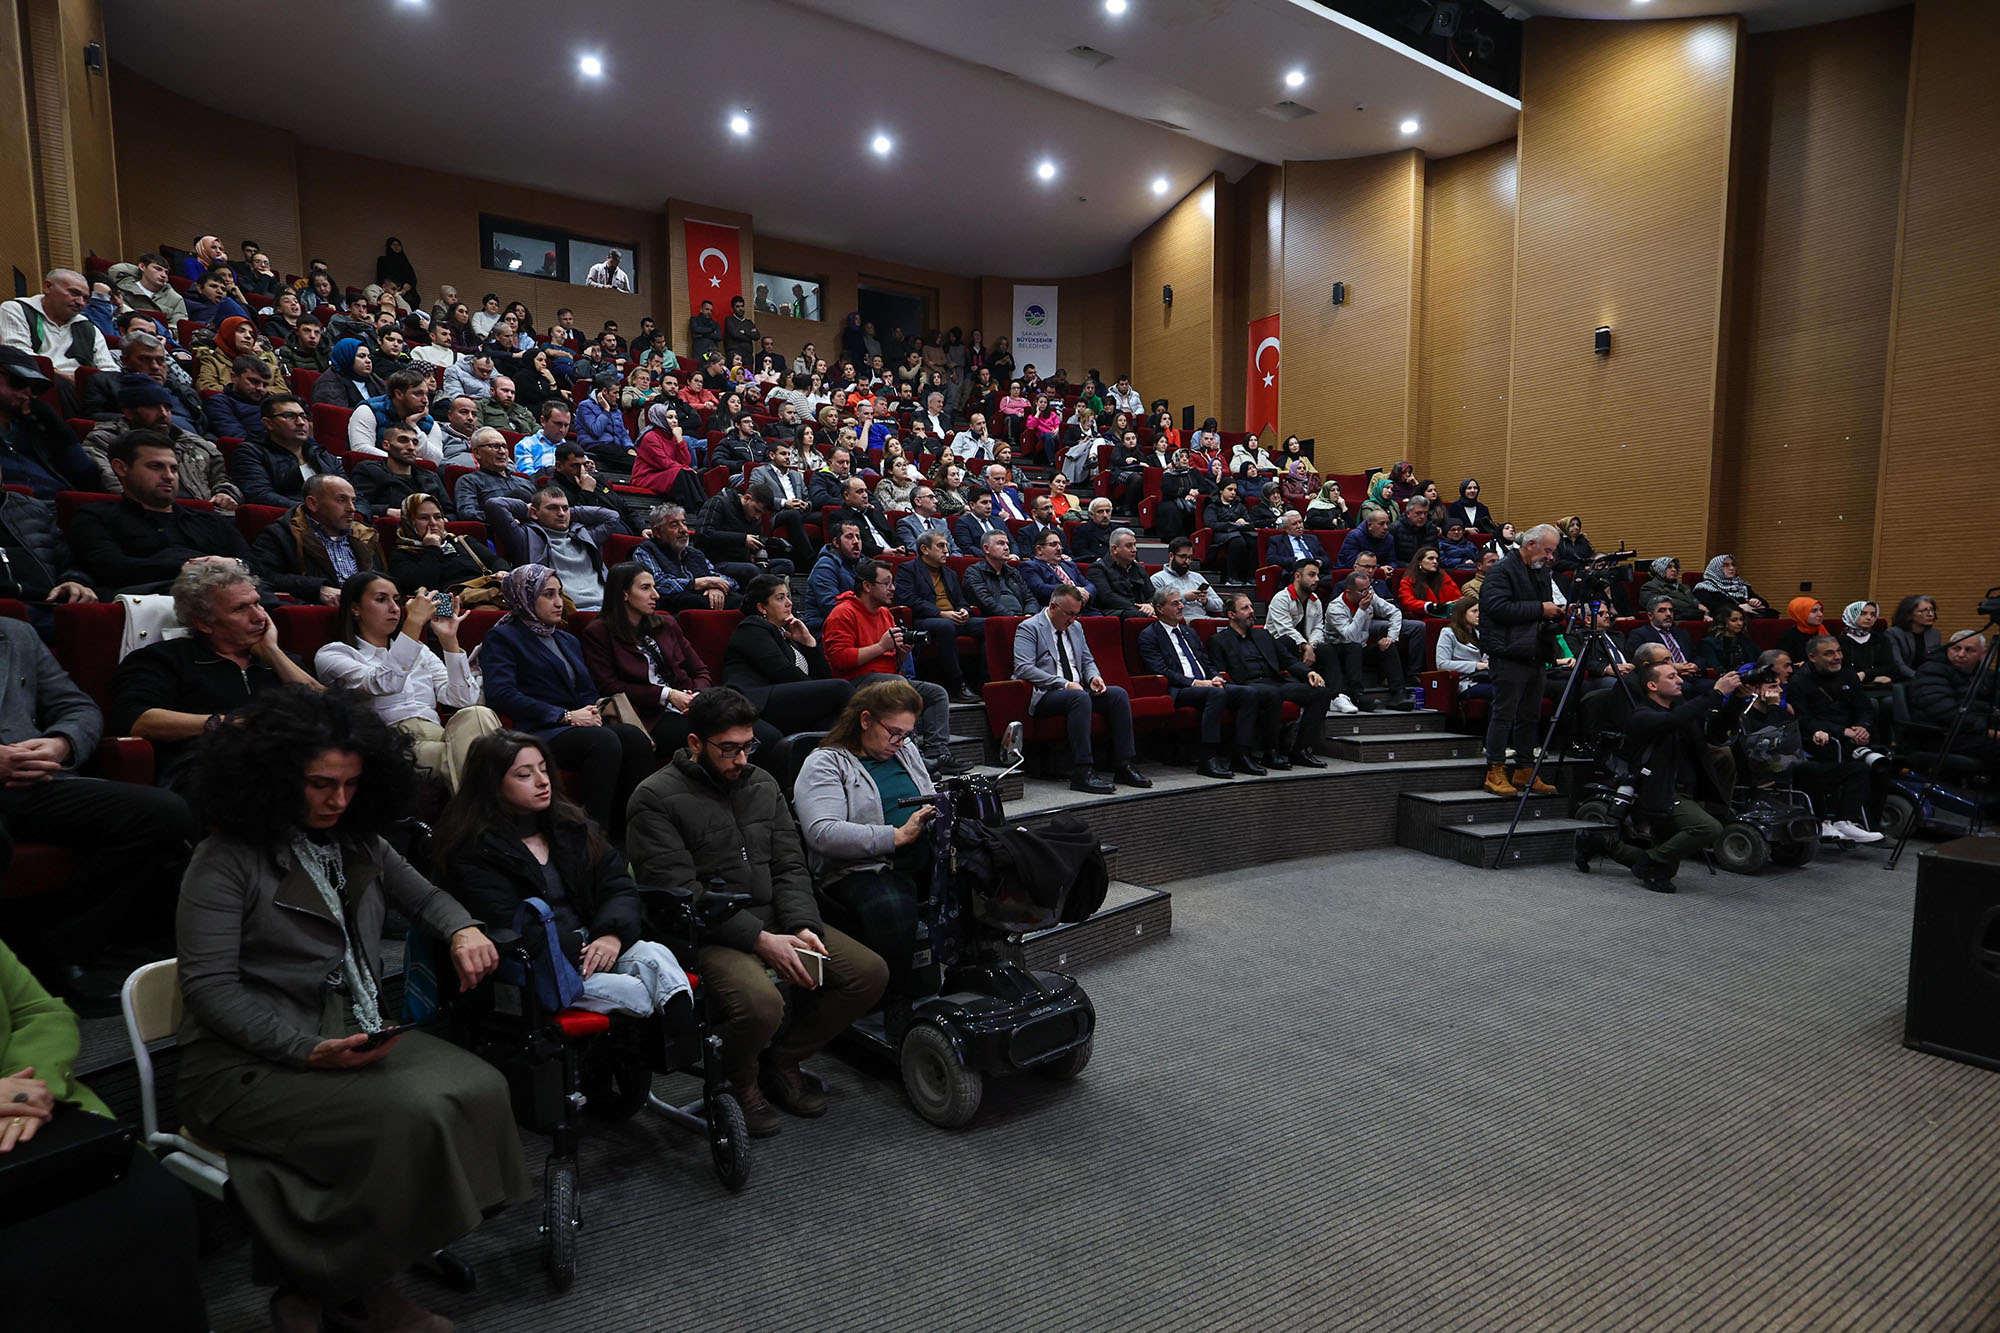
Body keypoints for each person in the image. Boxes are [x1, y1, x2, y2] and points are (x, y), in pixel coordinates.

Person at [174, 686, 524, 1331]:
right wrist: (302, 1050)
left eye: (351, 785)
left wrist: (462, 929)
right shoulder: (221, 863)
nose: (337, 801)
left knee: (481, 1087)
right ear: (274, 779)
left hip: (349, 1029)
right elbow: (210, 991)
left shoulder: (361, 842)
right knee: (409, 1117)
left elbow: (429, 898)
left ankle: (341, 1274)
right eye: (319, 785)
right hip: (239, 1061)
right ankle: (362, 1289)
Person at [0, 935, 211, 1328]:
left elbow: (41, 1012)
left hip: (36, 1107)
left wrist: (29, 1088)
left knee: (156, 1207)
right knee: (28, 1266)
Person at [474, 565, 657, 837]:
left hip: (576, 724)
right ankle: (592, 837)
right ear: (524, 597)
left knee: (635, 738)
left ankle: (631, 833)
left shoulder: (567, 639)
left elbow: (585, 689)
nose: (559, 602)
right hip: (538, 729)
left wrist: (591, 711)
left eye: (560, 593)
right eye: (549, 595)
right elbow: (502, 695)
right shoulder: (502, 637)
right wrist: (565, 716)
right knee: (604, 742)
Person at [792, 677, 940, 989]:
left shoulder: (905, 751)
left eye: (907, 735)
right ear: (865, 719)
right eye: (894, 733)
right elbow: (823, 833)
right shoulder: (825, 762)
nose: (900, 742)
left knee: (990, 862)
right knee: (891, 911)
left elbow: (928, 793)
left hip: (923, 851)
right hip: (862, 867)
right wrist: (896, 836)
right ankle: (896, 1000)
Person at [313, 571, 498, 791]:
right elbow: (384, 682)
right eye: (381, 600)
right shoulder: (334, 654)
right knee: (480, 760)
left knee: (478, 714)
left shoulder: (421, 652)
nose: (394, 608)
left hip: (439, 734)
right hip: (392, 744)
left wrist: (449, 641)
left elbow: (464, 700)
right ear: (355, 608)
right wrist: (414, 623)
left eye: (397, 600)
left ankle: (477, 821)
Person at [1574, 663, 1750, 892]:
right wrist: (1716, 693)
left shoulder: (1681, 709)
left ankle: (1599, 843)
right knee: (1709, 828)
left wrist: (1736, 700)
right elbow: (1672, 721)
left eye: (1678, 676)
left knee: (1665, 869)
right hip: (1657, 793)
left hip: (1682, 789)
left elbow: (1715, 732)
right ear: (1652, 685)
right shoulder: (1640, 716)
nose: (1680, 680)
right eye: (1672, 676)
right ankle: (1651, 861)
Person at [821, 558, 962, 776]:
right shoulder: (843, 613)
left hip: (887, 679)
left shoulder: (885, 613)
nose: (893, 588)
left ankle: (936, 753)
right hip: (855, 683)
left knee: (936, 693)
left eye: (892, 583)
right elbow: (840, 660)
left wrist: (902, 653)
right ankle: (912, 757)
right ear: (867, 586)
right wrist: (880, 647)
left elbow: (893, 660)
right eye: (886, 583)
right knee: (899, 686)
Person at [1013, 585, 1148, 794]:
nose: (1073, 620)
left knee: (1118, 695)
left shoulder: (1075, 627)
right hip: (1046, 695)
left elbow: (1086, 660)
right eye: (1069, 614)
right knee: (1079, 698)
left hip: (1079, 690)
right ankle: (1082, 771)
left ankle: (1124, 764)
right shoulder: (1029, 627)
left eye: (1077, 614)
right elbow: (1023, 668)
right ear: (1053, 607)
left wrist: (1094, 677)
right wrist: (1063, 683)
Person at [1735, 668, 1882, 844]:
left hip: (1793, 765)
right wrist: (1774, 706)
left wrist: (1815, 735)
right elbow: (1768, 741)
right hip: (1766, 772)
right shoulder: (1746, 716)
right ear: (1757, 690)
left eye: (1780, 686)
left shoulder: (1781, 712)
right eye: (1773, 686)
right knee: (1808, 769)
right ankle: (1819, 821)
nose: (1780, 690)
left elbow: (1793, 736)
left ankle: (1844, 822)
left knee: (1858, 769)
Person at [579, 562, 712, 751]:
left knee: (752, 728)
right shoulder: (598, 632)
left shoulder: (667, 623)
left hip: (692, 706)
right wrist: (668, 695)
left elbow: (699, 670)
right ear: (624, 593)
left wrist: (697, 697)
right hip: (650, 715)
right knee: (715, 734)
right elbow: (609, 686)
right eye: (645, 588)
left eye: (654, 587)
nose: (655, 595)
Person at [1139, 587, 1268, 778]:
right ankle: (1208, 758)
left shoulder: (1189, 632)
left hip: (1205, 684)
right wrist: (1196, 683)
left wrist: (1215, 676)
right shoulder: (1149, 635)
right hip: (1178, 689)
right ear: (1159, 608)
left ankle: (1241, 753)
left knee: (1248, 693)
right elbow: (1161, 671)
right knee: (1216, 693)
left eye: (1180, 602)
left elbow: (1206, 662)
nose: (1181, 606)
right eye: (1175, 603)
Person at [1479, 523, 1562, 796]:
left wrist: (1559, 614)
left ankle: (1525, 771)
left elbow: (1543, 612)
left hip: (1535, 652)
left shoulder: (1541, 573)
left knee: (1530, 715)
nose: (1551, 557)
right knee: (1504, 714)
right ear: (1530, 545)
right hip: (1508, 654)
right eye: (1547, 551)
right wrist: (1540, 609)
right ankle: (1495, 770)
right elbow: (1497, 608)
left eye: (1554, 552)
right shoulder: (1502, 571)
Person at [1208, 592, 1331, 769]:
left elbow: (1287, 660)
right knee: (1271, 693)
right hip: (1247, 686)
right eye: (1245, 608)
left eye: (1251, 606)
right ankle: (1271, 752)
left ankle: (1300, 750)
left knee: (1321, 692)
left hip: (1275, 682)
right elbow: (1221, 673)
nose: (1252, 611)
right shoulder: (1218, 641)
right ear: (1231, 615)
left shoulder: (1263, 635)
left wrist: (1307, 673)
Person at [83, 371, 241, 508]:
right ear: (129, 412)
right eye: (153, 407)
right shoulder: (104, 440)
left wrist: (224, 494)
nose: (163, 414)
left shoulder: (196, 444)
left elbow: (222, 479)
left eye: (167, 408)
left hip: (201, 518)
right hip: (140, 515)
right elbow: (110, 482)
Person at [723, 573, 854, 735]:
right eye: (780, 598)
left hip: (785, 699)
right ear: (762, 608)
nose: (789, 603)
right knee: (841, 688)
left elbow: (825, 676)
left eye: (788, 597)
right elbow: (782, 672)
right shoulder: (752, 628)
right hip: (757, 699)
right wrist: (819, 692)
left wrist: (809, 643)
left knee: (832, 725)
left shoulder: (787, 633)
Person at [251, 474, 383, 606]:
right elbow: (263, 576)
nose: (352, 508)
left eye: (353, 501)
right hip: (321, 613)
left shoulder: (364, 535)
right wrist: (317, 589)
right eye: (341, 500)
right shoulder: (281, 535)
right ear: (313, 503)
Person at [484, 487, 618, 611]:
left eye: (565, 508)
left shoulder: (585, 535)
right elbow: (494, 505)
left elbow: (612, 517)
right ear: (534, 513)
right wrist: (530, 511)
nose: (561, 514)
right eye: (553, 508)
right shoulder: (524, 537)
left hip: (607, 608)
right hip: (565, 611)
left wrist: (570, 513)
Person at [0, 269, 120, 406]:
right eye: (74, 293)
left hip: (86, 392)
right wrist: (70, 378)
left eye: (86, 298)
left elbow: (110, 370)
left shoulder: (89, 327)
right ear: (48, 287)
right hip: (36, 386)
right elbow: (18, 356)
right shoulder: (16, 309)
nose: (80, 302)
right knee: (58, 384)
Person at [229, 393, 358, 513]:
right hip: (289, 524)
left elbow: (353, 493)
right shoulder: (251, 452)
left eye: (303, 416)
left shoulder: (322, 455)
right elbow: (260, 495)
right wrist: (316, 511)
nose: (301, 422)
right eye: (290, 416)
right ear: (268, 423)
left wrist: (361, 513)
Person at [893, 531, 983, 702]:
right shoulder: (908, 569)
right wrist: (940, 613)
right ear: (924, 549)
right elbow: (908, 599)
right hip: (926, 620)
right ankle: (957, 685)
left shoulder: (950, 573)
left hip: (954, 618)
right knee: (945, 626)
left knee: (990, 625)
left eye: (947, 546)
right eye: (941, 546)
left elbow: (962, 600)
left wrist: (964, 610)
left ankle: (984, 682)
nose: (946, 551)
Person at [1908, 629, 1999, 772]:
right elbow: (1945, 711)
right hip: (1942, 734)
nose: (1961, 654)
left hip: (1972, 732)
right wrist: (1987, 730)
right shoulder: (1931, 670)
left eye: (1969, 650)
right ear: (1948, 647)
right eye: (1956, 648)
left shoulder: (1986, 675)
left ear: (1983, 654)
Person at [1326, 570, 1415, 713]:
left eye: (1369, 588)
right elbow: (1350, 637)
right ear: (1349, 591)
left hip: (1361, 648)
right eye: (1363, 591)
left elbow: (1395, 612)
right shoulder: (1335, 608)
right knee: (1353, 646)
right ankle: (1357, 695)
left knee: (1387, 646)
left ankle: (1398, 693)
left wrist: (1390, 637)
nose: (1368, 594)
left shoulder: (1369, 595)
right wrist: (1361, 610)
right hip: (1339, 651)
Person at [349, 420, 449, 520]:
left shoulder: (431, 476)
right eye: (403, 440)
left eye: (415, 443)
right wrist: (386, 511)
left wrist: (443, 520)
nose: (411, 447)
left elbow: (450, 512)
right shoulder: (369, 470)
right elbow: (356, 504)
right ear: (386, 445)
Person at [1626, 595, 1709, 694]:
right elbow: (1641, 664)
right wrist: (1673, 667)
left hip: (1691, 677)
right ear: (1650, 615)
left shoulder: (1681, 633)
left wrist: (1695, 666)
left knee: (1713, 686)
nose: (1668, 614)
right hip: (1665, 680)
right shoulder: (1640, 634)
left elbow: (1697, 656)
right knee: (1688, 690)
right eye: (1662, 610)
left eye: (1671, 610)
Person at [1087, 527, 1156, 619]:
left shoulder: (1139, 568)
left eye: (1135, 545)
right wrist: (1138, 608)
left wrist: (1150, 605)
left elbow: (1152, 593)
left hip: (1140, 609)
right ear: (1115, 549)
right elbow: (1108, 597)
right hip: (1114, 611)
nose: (1134, 550)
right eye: (1129, 546)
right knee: (1138, 615)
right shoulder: (1098, 569)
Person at [1693, 553, 1774, 620]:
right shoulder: (1704, 587)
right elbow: (1713, 607)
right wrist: (1738, 608)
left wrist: (1756, 601)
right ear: (1716, 568)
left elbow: (1765, 603)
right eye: (1726, 565)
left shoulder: (1741, 585)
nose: (1731, 568)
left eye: (1733, 565)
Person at [312, 337, 383, 410]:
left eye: (369, 357)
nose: (368, 361)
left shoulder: (373, 378)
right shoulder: (328, 383)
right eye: (361, 356)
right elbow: (339, 415)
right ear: (347, 357)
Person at [1639, 557, 1707, 624]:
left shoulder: (1684, 587)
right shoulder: (1649, 587)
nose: (1674, 570)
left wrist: (1700, 607)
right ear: (1659, 569)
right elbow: (1663, 606)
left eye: (1675, 567)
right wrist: (1695, 606)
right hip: (1671, 622)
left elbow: (1697, 603)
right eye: (1669, 567)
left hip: (1693, 618)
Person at [1888, 594, 1941, 676]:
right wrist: (1919, 677)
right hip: (1902, 678)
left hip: (1927, 678)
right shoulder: (1894, 634)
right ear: (1908, 615)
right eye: (1924, 611)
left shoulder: (1935, 634)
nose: (1930, 614)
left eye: (1932, 610)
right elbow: (1898, 665)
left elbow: (1936, 661)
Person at [1697, 605, 1757, 675]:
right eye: (1734, 620)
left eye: (1741, 619)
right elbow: (1716, 668)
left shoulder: (1745, 640)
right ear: (1723, 622)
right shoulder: (1708, 643)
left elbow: (1758, 659)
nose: (1740, 623)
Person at [1777, 597, 1829, 664]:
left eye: (1820, 610)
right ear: (1800, 613)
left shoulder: (1825, 631)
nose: (1820, 614)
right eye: (1814, 611)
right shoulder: (1787, 637)